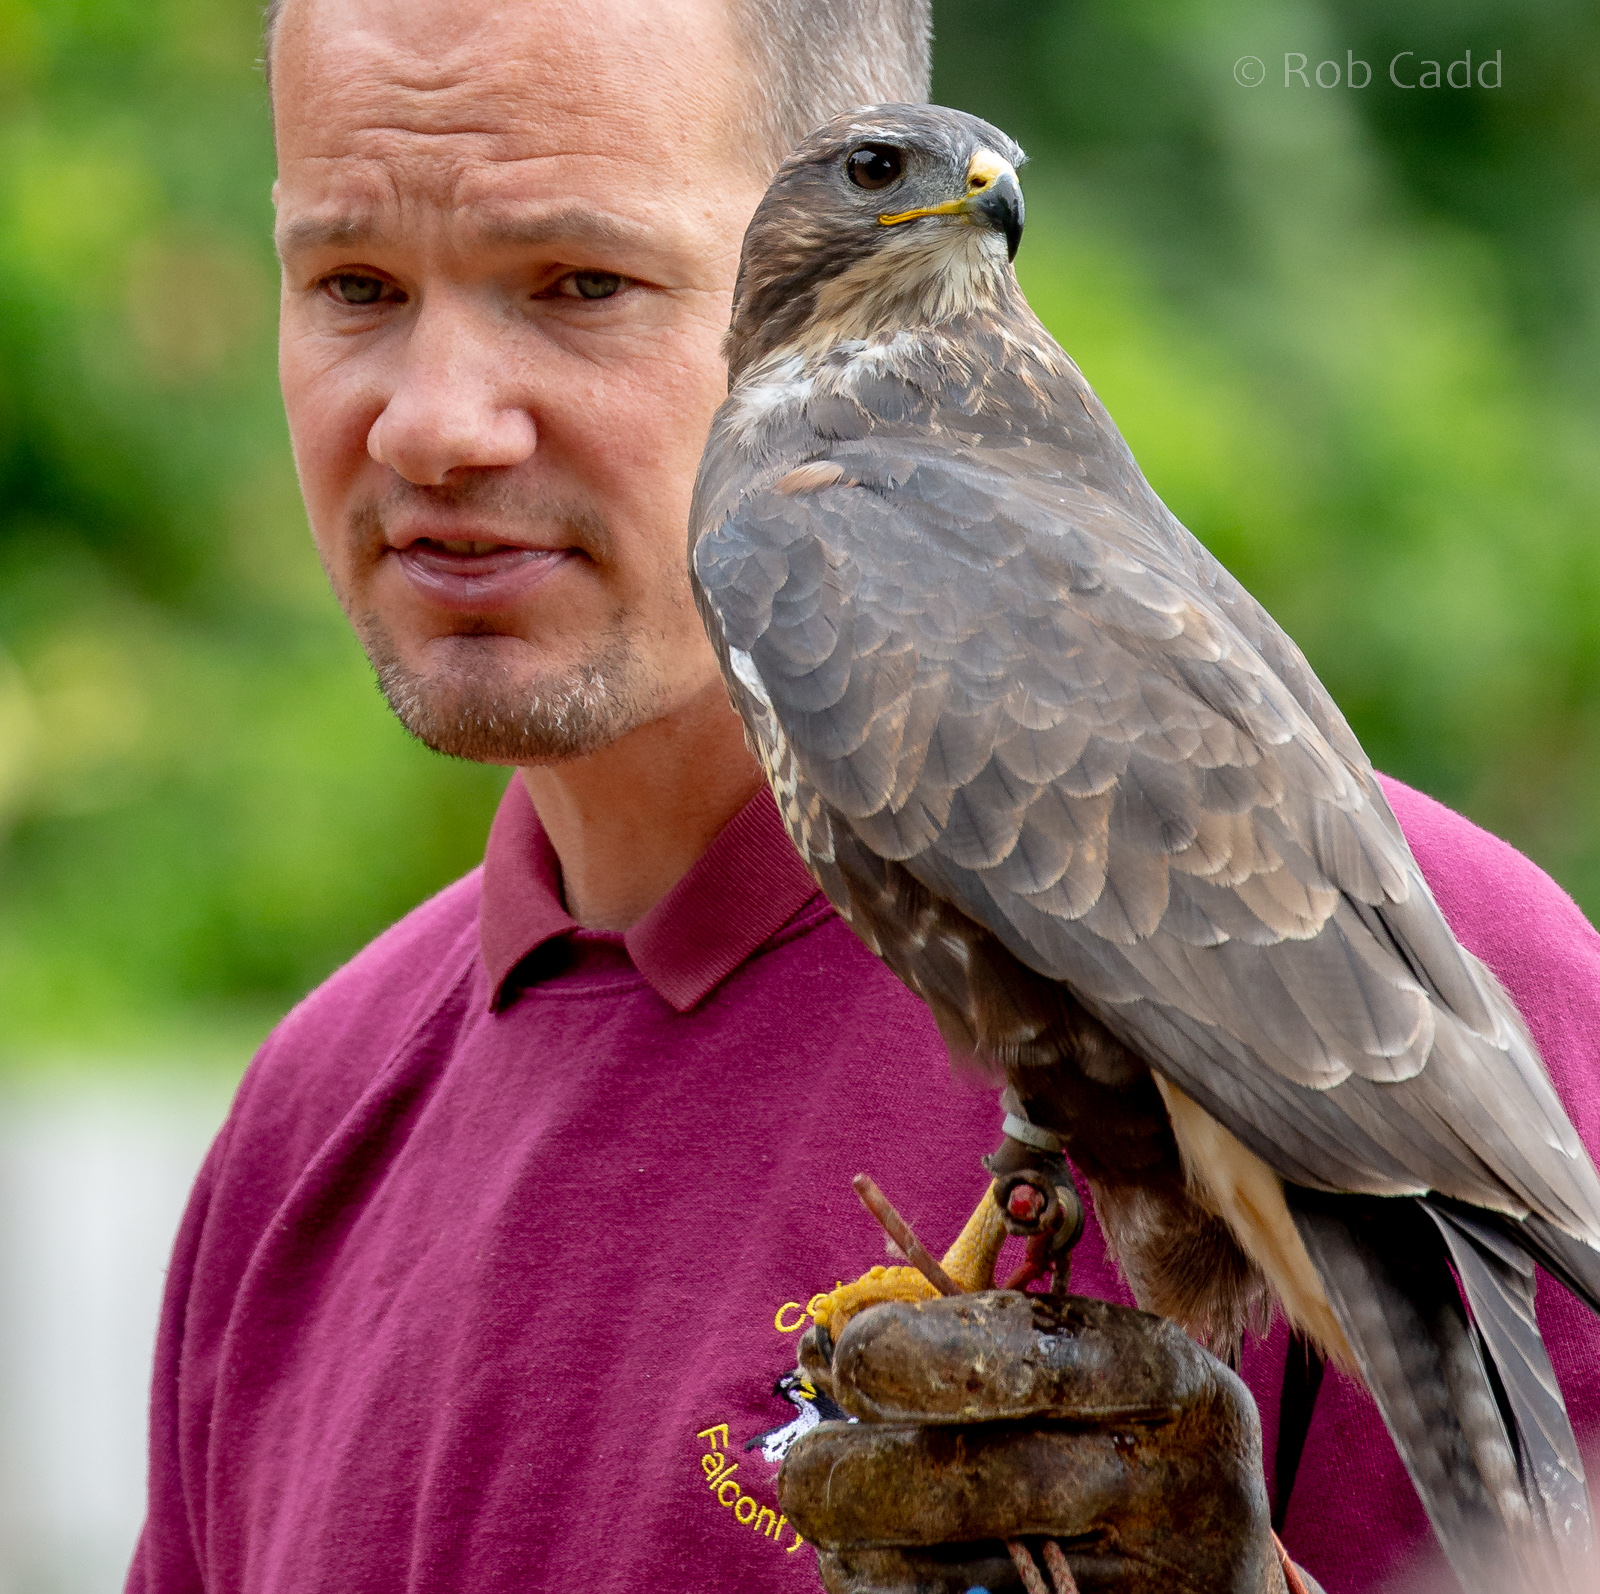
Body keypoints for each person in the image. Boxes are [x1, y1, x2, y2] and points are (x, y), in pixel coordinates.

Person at [126, 0, 1600, 1590]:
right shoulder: (308, 1123)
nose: (437, 424)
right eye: (354, 285)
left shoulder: (1465, 959)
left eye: (582, 285)